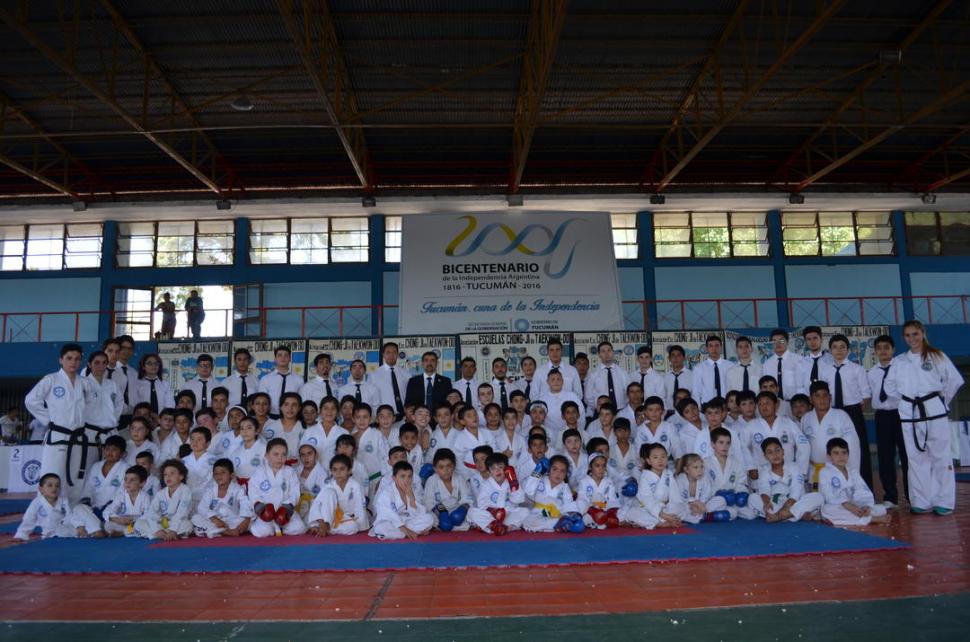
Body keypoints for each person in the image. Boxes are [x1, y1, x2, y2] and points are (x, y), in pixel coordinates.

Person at [885, 320, 964, 515]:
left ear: (923, 333)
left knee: (940, 455)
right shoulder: (899, 361)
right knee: (915, 457)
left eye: (915, 334)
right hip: (909, 412)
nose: (912, 338)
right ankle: (921, 500)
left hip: (933, 408)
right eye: (907, 335)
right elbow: (889, 387)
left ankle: (944, 500)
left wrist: (942, 401)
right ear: (903, 337)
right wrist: (904, 402)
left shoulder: (936, 355)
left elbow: (954, 380)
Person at [25, 343, 94, 502]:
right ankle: (46, 509)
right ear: (61, 360)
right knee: (52, 475)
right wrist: (49, 419)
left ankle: (72, 510)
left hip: (78, 437)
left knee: (75, 476)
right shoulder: (51, 379)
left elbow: (90, 406)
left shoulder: (84, 382)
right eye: (69, 358)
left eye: (77, 359)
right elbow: (31, 400)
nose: (73, 362)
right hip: (58, 435)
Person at [818, 334, 873, 489]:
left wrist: (855, 411)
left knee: (858, 449)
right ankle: (835, 487)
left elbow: (865, 395)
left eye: (842, 347)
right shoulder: (825, 371)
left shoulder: (857, 369)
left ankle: (863, 488)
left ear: (848, 350)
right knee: (832, 448)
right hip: (832, 411)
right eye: (835, 347)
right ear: (830, 350)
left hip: (853, 411)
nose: (839, 350)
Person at [868, 334, 908, 507]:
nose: (883, 351)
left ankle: (913, 496)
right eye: (879, 348)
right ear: (875, 351)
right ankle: (890, 497)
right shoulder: (871, 373)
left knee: (907, 456)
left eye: (886, 347)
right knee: (885, 456)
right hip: (882, 416)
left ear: (893, 349)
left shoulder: (901, 369)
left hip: (902, 414)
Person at [800, 381, 861, 489]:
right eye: (817, 396)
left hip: (836, 470)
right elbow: (802, 447)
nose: (822, 399)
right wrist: (803, 470)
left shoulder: (841, 416)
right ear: (811, 399)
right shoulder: (806, 418)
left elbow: (853, 446)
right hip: (813, 470)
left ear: (830, 397)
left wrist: (852, 472)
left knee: (837, 498)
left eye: (825, 395)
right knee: (815, 498)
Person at [819, 438, 890, 526]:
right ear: (829, 456)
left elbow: (862, 490)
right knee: (827, 510)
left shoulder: (853, 472)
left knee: (879, 509)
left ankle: (863, 515)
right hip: (837, 506)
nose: (841, 456)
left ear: (848, 455)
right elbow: (828, 496)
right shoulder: (824, 472)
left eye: (844, 453)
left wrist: (865, 505)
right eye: (836, 453)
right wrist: (846, 504)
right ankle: (870, 519)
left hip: (854, 506)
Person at [15, 473, 102, 540]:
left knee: (80, 510)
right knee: (60, 531)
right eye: (50, 485)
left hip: (68, 526)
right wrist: (21, 535)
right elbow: (28, 520)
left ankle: (94, 530)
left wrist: (79, 525)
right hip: (52, 532)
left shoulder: (63, 500)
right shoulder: (36, 503)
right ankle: (89, 531)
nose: (54, 488)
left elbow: (70, 516)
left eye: (57, 486)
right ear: (41, 489)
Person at [754, 438, 822, 522]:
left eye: (777, 450)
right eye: (770, 452)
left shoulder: (795, 467)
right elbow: (764, 491)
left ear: (783, 451)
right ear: (765, 456)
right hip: (776, 505)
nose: (775, 455)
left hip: (794, 503)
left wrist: (784, 510)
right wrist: (767, 503)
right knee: (752, 498)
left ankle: (779, 517)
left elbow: (795, 492)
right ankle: (795, 515)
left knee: (818, 497)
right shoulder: (764, 471)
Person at [249, 438, 305, 537]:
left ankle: (280, 527)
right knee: (260, 532)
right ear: (267, 455)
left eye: (283, 454)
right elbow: (253, 492)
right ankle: (275, 527)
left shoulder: (290, 472)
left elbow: (295, 493)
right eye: (276, 454)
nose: (280, 458)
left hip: (284, 512)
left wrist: (287, 508)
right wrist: (261, 508)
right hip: (266, 513)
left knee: (299, 528)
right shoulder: (259, 472)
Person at [306, 454, 370, 536]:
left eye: (342, 469)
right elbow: (316, 505)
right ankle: (324, 525)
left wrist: (360, 524)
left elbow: (359, 507)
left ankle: (327, 529)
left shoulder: (355, 486)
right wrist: (321, 522)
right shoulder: (328, 486)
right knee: (329, 492)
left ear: (349, 470)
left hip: (342, 518)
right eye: (335, 469)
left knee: (353, 527)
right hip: (325, 517)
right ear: (331, 471)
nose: (338, 473)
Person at [624, 443, 684, 529]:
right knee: (632, 513)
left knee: (682, 508)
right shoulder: (645, 476)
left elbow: (675, 496)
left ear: (667, 458)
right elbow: (646, 499)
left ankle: (657, 522)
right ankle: (661, 523)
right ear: (649, 461)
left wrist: (671, 508)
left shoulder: (669, 474)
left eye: (663, 457)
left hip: (666, 508)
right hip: (648, 508)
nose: (660, 460)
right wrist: (662, 514)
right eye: (655, 457)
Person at [369, 461, 434, 539]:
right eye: (403, 476)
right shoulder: (386, 493)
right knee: (381, 528)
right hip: (391, 522)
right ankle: (412, 532)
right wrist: (404, 529)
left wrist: (411, 498)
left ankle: (405, 533)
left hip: (407, 520)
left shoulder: (411, 490)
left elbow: (420, 513)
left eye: (409, 476)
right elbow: (389, 514)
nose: (407, 480)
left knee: (429, 518)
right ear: (394, 478)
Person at [468, 452, 528, 536]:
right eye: (493, 468)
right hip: (492, 516)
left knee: (525, 512)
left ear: (506, 469)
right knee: (471, 512)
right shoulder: (487, 485)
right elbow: (481, 504)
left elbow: (518, 500)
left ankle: (496, 527)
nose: (497, 470)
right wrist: (494, 512)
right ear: (489, 472)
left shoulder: (512, 482)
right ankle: (495, 526)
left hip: (508, 514)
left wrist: (513, 483)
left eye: (500, 467)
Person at [191, 458, 253, 537]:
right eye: (216, 473)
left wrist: (246, 521)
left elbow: (245, 505)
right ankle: (225, 532)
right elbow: (202, 507)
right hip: (215, 521)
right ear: (213, 476)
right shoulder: (210, 490)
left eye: (223, 472)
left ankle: (215, 531)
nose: (219, 476)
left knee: (249, 521)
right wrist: (214, 519)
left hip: (231, 521)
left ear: (231, 475)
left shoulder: (238, 489)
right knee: (195, 518)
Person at [522, 455, 584, 533]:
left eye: (562, 471)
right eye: (555, 469)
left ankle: (561, 524)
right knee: (528, 520)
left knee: (576, 523)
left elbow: (568, 505)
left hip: (556, 516)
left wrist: (574, 515)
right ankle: (559, 526)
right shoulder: (540, 480)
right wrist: (537, 472)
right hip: (538, 514)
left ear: (566, 474)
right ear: (549, 470)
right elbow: (528, 491)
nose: (558, 473)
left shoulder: (565, 488)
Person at [134, 459, 193, 539]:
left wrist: (173, 530)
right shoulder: (160, 493)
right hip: (162, 523)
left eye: (172, 473)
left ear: (181, 476)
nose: (168, 477)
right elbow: (152, 512)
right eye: (165, 474)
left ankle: (160, 534)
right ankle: (162, 534)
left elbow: (182, 513)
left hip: (177, 523)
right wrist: (157, 529)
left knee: (187, 525)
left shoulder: (186, 490)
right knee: (139, 523)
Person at [706, 428, 756, 519]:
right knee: (721, 501)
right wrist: (719, 493)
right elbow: (704, 486)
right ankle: (705, 514)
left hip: (732, 500)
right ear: (713, 444)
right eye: (721, 442)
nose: (725, 446)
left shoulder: (736, 464)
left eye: (728, 443)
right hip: (714, 499)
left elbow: (741, 484)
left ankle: (711, 515)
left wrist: (740, 494)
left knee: (750, 515)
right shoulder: (705, 463)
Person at [422, 448, 473, 531]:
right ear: (435, 468)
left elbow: (467, 498)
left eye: (449, 466)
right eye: (441, 467)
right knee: (430, 519)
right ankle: (444, 523)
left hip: (456, 510)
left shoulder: (459, 478)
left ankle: (455, 521)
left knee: (465, 515)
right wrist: (442, 512)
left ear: (454, 466)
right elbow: (428, 501)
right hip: (438, 512)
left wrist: (462, 510)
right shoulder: (432, 480)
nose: (446, 470)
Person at [673, 454, 731, 523]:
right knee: (676, 508)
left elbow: (707, 495)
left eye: (701, 467)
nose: (700, 470)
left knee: (721, 500)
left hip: (703, 506)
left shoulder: (704, 479)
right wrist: (693, 503)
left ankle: (701, 516)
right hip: (687, 507)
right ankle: (705, 516)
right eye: (696, 467)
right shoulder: (680, 480)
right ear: (686, 469)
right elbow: (679, 499)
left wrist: (701, 505)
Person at [83, 350, 123, 446]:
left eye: (104, 363)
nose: (101, 366)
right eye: (97, 363)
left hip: (110, 432)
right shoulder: (83, 383)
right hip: (89, 432)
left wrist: (112, 419)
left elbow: (119, 404)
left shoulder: (112, 384)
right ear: (89, 364)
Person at [575, 452, 621, 528]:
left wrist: (611, 513)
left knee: (622, 511)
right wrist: (593, 510)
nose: (601, 469)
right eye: (597, 465)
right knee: (581, 504)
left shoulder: (609, 481)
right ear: (590, 467)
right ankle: (598, 520)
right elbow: (582, 500)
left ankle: (604, 519)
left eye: (603, 466)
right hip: (590, 511)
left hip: (605, 510)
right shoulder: (583, 481)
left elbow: (612, 500)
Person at [103, 465, 151, 537]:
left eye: (132, 480)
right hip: (122, 522)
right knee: (107, 525)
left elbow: (149, 514)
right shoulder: (120, 496)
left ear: (142, 483)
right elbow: (108, 511)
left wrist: (134, 521)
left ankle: (123, 532)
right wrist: (118, 519)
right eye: (125, 479)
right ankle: (128, 532)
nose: (128, 482)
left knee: (144, 525)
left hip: (137, 522)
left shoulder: (145, 497)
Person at [585, 341, 630, 416]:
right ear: (599, 355)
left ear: (613, 352)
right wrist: (599, 407)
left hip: (621, 411)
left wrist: (624, 406)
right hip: (601, 413)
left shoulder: (623, 373)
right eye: (603, 351)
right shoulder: (593, 375)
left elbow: (629, 393)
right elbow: (588, 397)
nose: (606, 354)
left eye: (609, 350)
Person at [258, 345, 305, 418]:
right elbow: (262, 399)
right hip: (271, 416)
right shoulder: (266, 379)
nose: (283, 358)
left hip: (292, 416)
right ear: (275, 359)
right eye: (279, 355)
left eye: (286, 355)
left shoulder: (298, 379)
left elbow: (301, 400)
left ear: (290, 359)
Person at [370, 342, 411, 419]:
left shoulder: (406, 374)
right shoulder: (374, 375)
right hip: (384, 418)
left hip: (404, 417)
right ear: (383, 354)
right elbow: (371, 398)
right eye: (388, 352)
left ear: (397, 354)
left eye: (394, 352)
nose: (391, 355)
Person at [691, 335, 734, 404]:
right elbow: (696, 392)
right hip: (707, 405)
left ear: (721, 347)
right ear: (707, 348)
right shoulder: (699, 368)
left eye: (717, 345)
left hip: (727, 404)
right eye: (711, 346)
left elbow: (734, 388)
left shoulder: (730, 366)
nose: (714, 349)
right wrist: (698, 408)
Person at [263, 392, 304, 461]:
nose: (290, 408)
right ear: (280, 407)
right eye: (286, 404)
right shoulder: (270, 427)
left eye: (294, 405)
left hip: (299, 466)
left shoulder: (304, 428)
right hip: (274, 465)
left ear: (299, 408)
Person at [762, 329, 801, 402]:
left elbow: (803, 384)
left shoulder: (798, 360)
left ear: (787, 342)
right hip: (773, 403)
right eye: (774, 341)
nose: (778, 344)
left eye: (781, 341)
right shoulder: (767, 364)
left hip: (795, 402)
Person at [799, 326, 834, 393]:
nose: (812, 342)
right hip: (807, 397)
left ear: (821, 339)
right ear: (805, 342)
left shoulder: (831, 360)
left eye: (815, 338)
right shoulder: (801, 362)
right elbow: (800, 385)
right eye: (809, 339)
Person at [663, 345, 693, 410]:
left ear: (684, 358)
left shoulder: (692, 376)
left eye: (678, 355)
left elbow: (695, 395)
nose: (676, 358)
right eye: (673, 355)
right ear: (669, 358)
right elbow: (663, 396)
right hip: (669, 410)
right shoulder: (664, 377)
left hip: (687, 410)